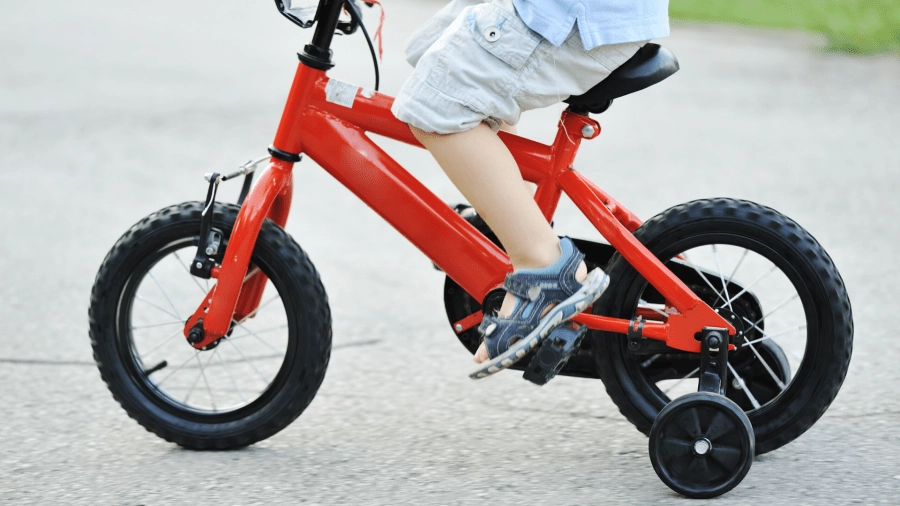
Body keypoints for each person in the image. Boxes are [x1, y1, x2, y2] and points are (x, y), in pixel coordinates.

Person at [392, 0, 669, 377]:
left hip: (571, 14)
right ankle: (510, 218)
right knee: (430, 48)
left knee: (436, 104)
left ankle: (545, 268)